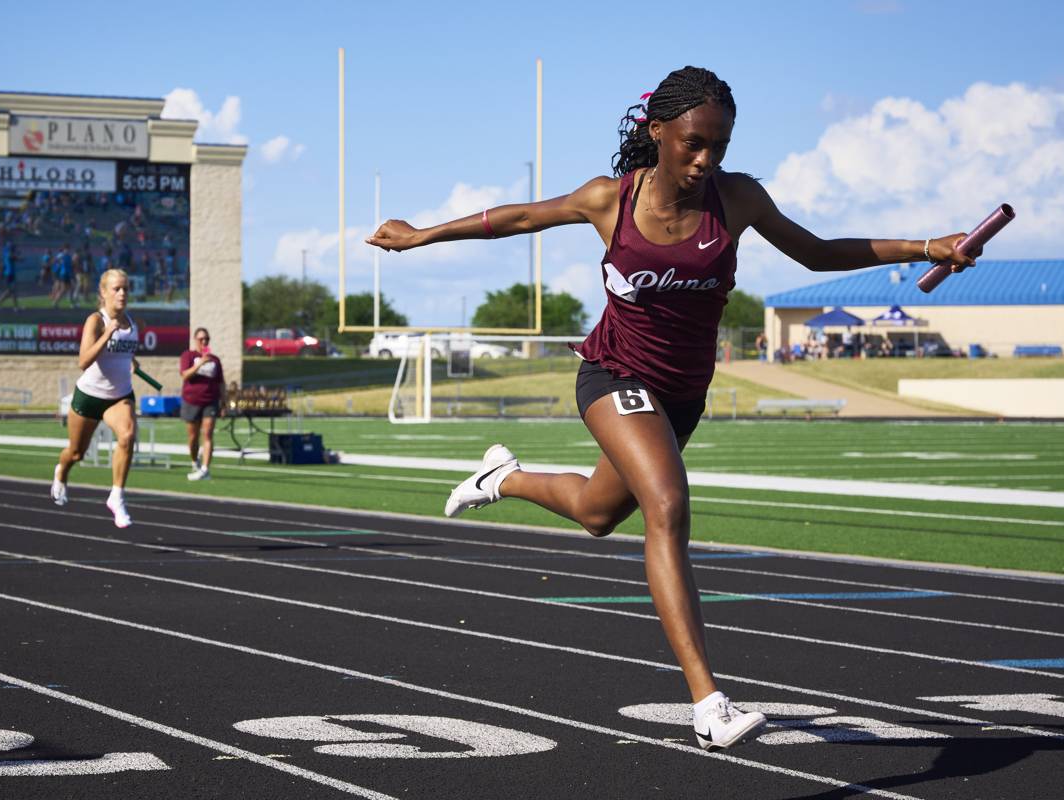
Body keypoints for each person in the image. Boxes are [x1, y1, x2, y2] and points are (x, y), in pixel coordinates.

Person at [366, 65, 979, 752]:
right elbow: (513, 219)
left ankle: (501, 479)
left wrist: (929, 247)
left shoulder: (737, 199)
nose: (704, 159)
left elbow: (816, 252)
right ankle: (709, 704)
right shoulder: (609, 201)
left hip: (682, 395)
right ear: (657, 131)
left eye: (718, 144)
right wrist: (423, 235)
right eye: (692, 143)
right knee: (667, 503)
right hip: (613, 376)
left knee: (599, 514)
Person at [51, 268, 141, 528]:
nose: (122, 293)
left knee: (127, 436)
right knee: (76, 453)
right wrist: (107, 333)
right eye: (116, 289)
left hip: (119, 396)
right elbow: (83, 361)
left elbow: (123, 353)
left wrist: (132, 361)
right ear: (103, 293)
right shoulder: (96, 321)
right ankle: (62, 471)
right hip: (89, 396)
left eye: (125, 288)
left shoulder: (133, 323)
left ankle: (116, 496)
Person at [179, 327, 226, 481]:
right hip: (191, 400)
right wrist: (199, 364)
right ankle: (195, 461)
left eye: (206, 339)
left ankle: (205, 469)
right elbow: (185, 375)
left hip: (210, 401)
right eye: (201, 339)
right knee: (193, 437)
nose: (204, 342)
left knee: (208, 433)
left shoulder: (215, 360)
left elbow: (220, 383)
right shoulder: (188, 356)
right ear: (195, 340)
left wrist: (223, 403)